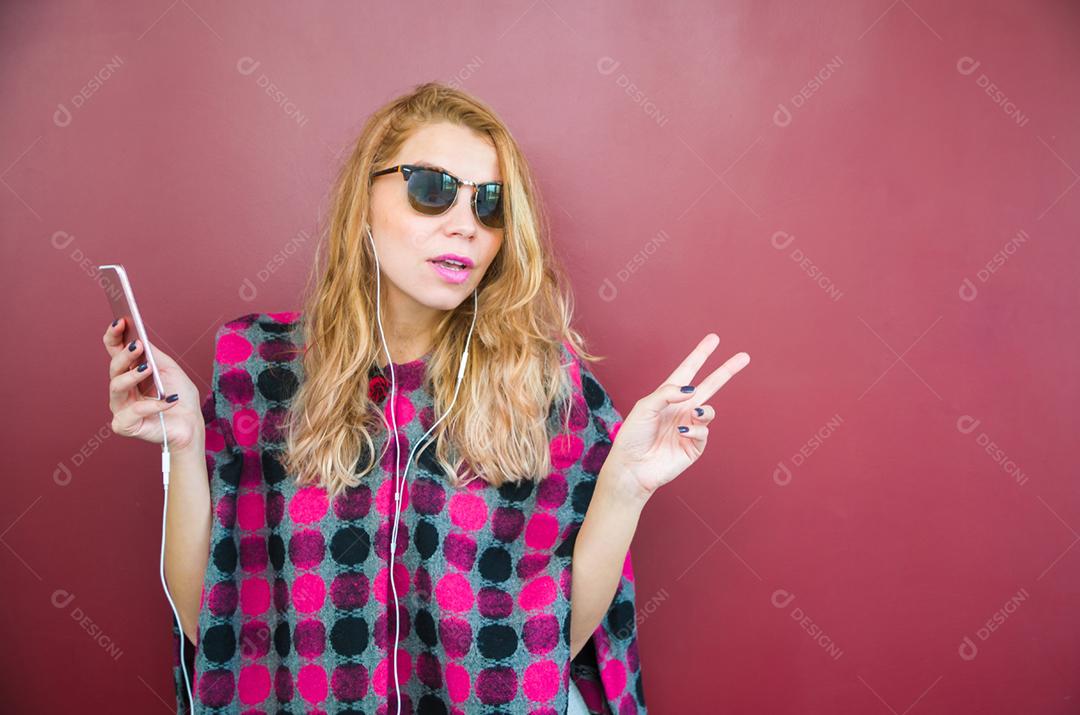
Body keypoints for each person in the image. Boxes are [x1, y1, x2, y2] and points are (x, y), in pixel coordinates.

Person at [101, 81, 749, 714]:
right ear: (363, 201)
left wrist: (625, 488)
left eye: (489, 203)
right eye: (432, 190)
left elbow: (556, 643)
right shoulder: (261, 367)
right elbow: (206, 623)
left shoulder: (546, 388)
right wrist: (184, 445)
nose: (465, 226)